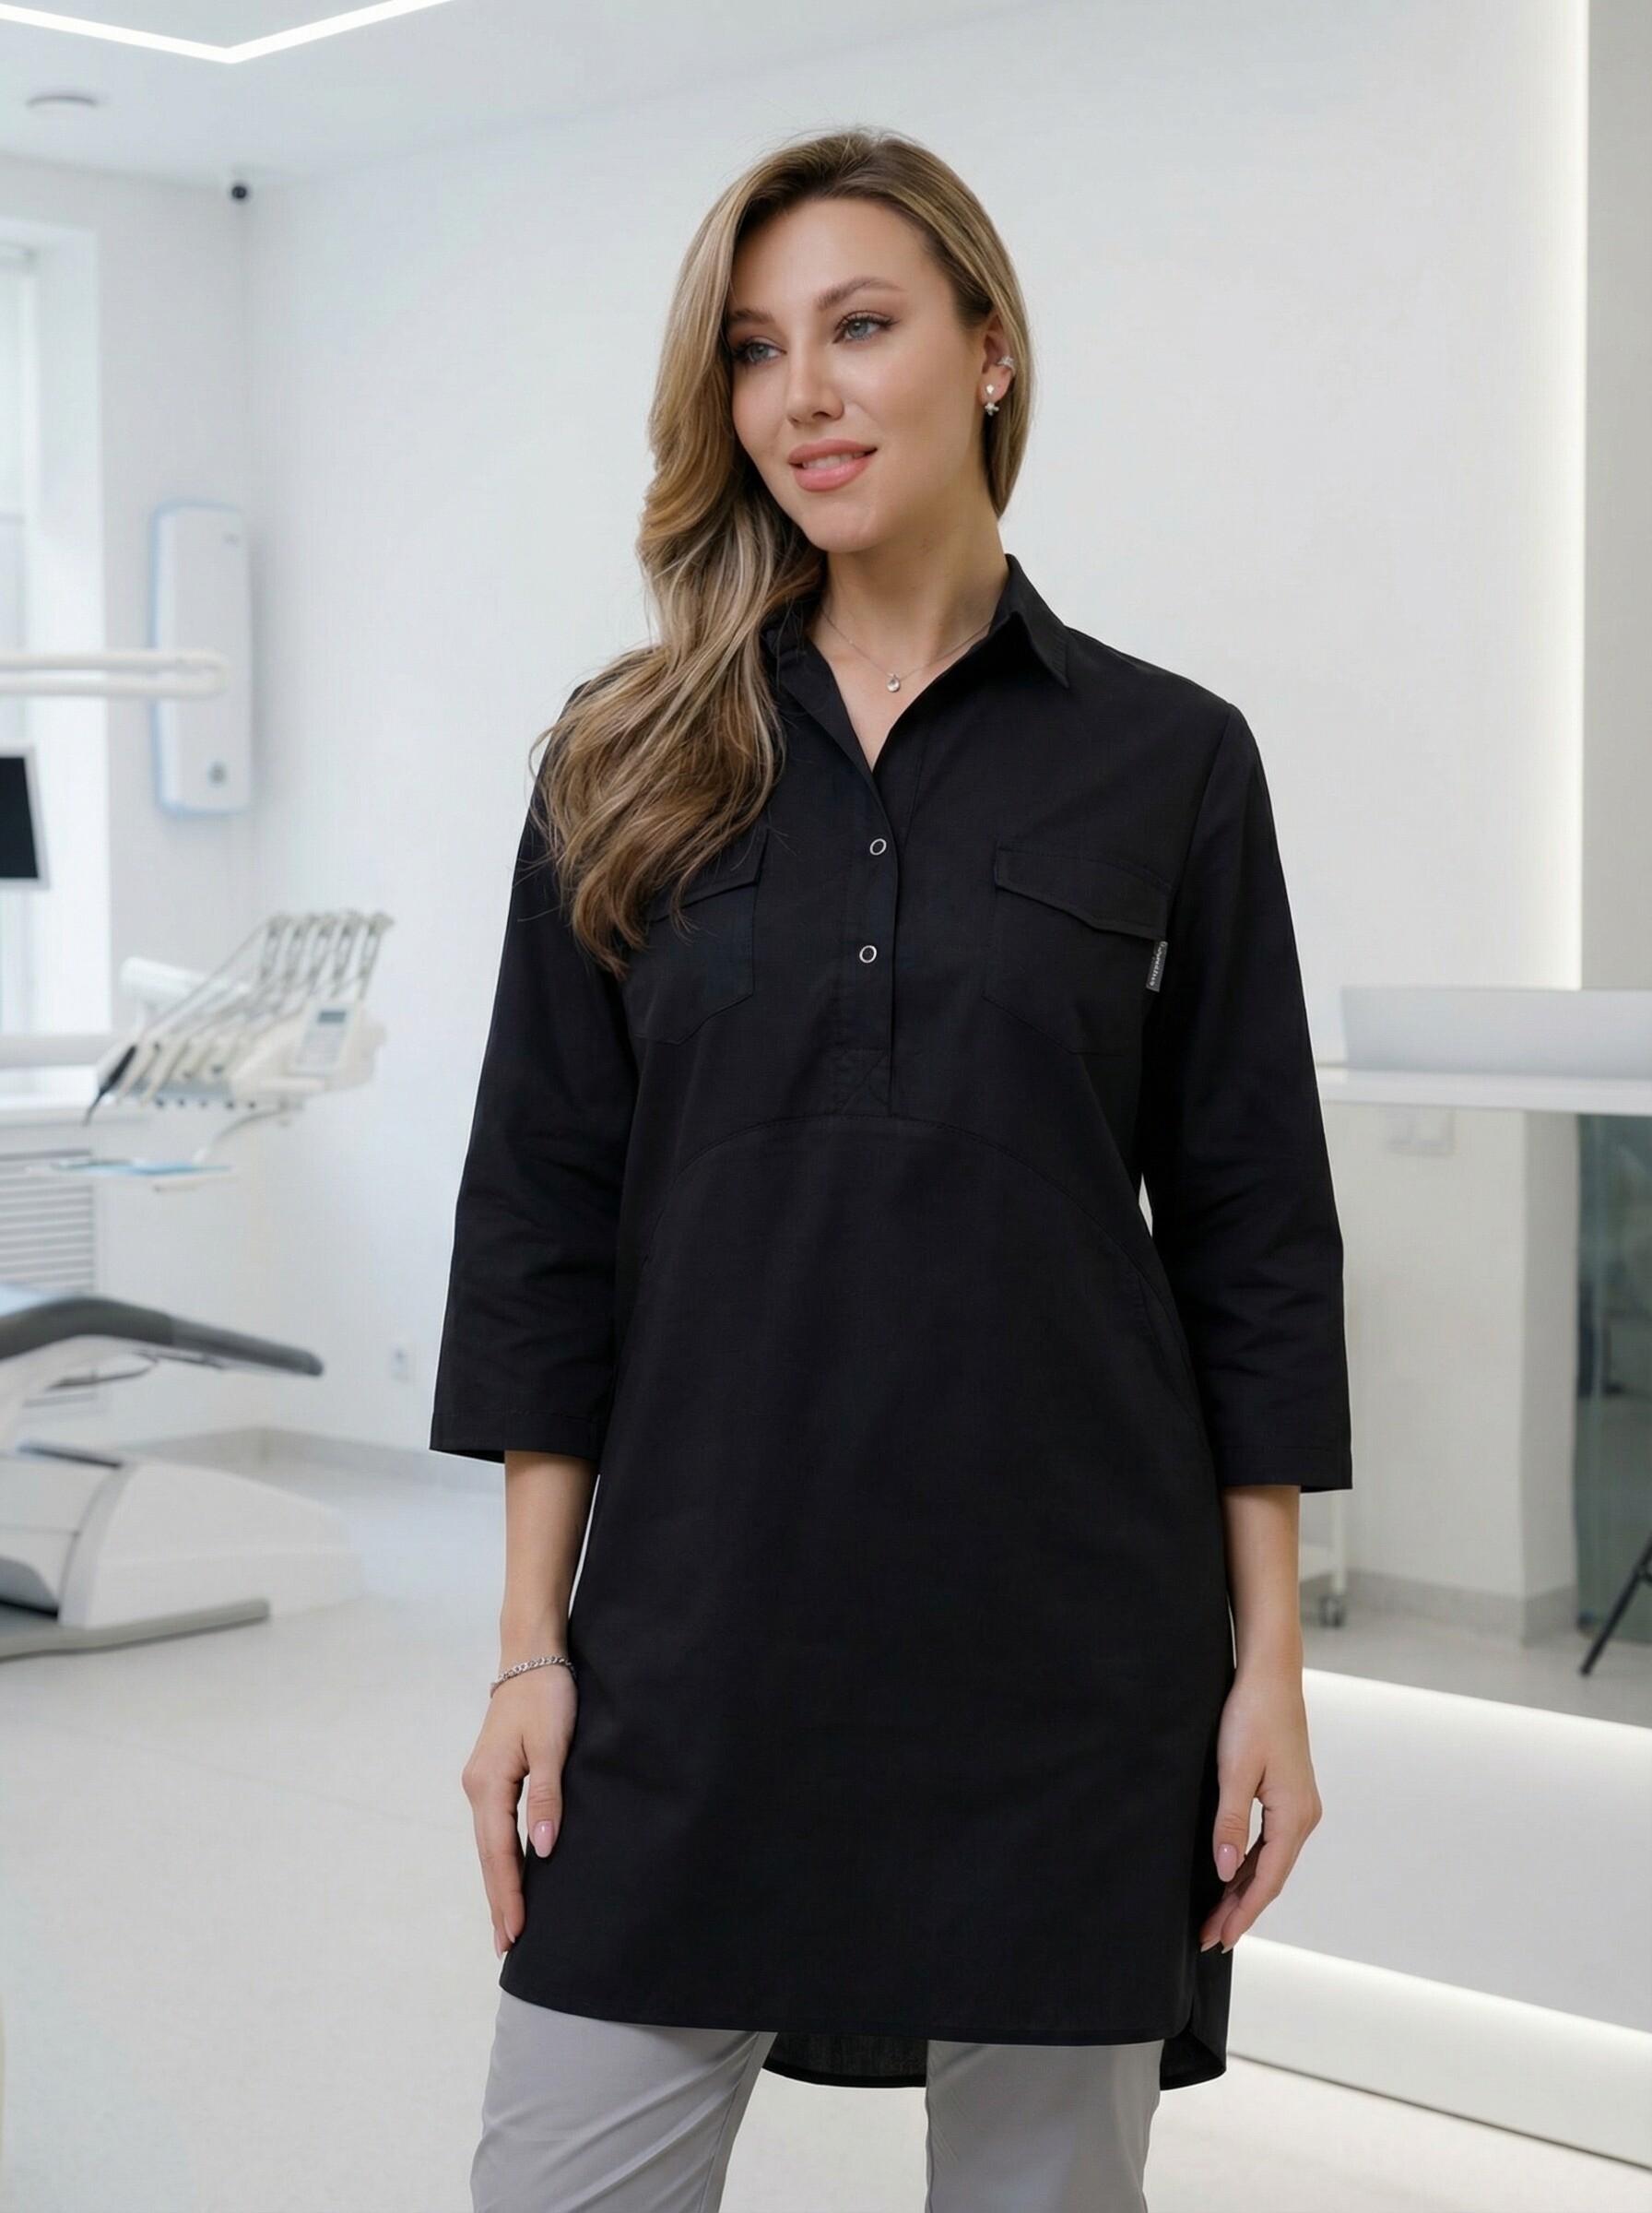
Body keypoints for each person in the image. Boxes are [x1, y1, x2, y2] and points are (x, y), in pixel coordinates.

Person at [430, 125, 1353, 2213]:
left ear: (989, 350)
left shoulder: (1170, 759)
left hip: (1068, 1661)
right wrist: (528, 1646)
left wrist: (1269, 1672)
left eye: (858, 327)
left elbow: (1249, 1238)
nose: (802, 395)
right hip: (689, 1638)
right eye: (755, 351)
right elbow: (539, 1226)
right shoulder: (623, 755)